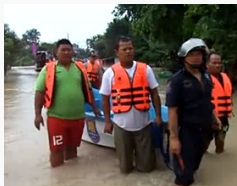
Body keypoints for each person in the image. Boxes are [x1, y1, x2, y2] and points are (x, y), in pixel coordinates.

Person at [34, 38, 100, 168]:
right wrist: (37, 115)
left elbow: (88, 89)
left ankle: (70, 182)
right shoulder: (48, 69)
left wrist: (95, 108)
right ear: (56, 53)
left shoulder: (80, 68)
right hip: (56, 118)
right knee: (56, 150)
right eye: (63, 50)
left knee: (72, 150)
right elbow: (39, 92)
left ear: (73, 52)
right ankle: (57, 181)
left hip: (78, 117)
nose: (66, 52)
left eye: (69, 50)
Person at [166, 38, 222, 186]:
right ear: (184, 57)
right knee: (184, 175)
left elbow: (206, 101)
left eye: (199, 54)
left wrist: (214, 117)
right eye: (192, 54)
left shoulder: (206, 76)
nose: (196, 57)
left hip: (204, 130)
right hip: (186, 132)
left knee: (195, 165)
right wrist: (174, 138)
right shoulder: (177, 81)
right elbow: (172, 111)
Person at [100, 36, 162, 174]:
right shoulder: (110, 73)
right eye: (124, 49)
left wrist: (158, 116)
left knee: (147, 169)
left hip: (144, 124)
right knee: (125, 169)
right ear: (117, 52)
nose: (128, 51)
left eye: (130, 48)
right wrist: (107, 122)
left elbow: (155, 94)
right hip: (121, 126)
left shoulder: (146, 69)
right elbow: (104, 99)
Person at [207, 51, 233, 154]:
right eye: (214, 63)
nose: (217, 65)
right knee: (204, 143)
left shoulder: (225, 77)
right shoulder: (204, 79)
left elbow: (230, 94)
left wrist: (230, 109)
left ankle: (220, 156)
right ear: (207, 64)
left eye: (219, 63)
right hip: (208, 118)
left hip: (223, 117)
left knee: (220, 142)